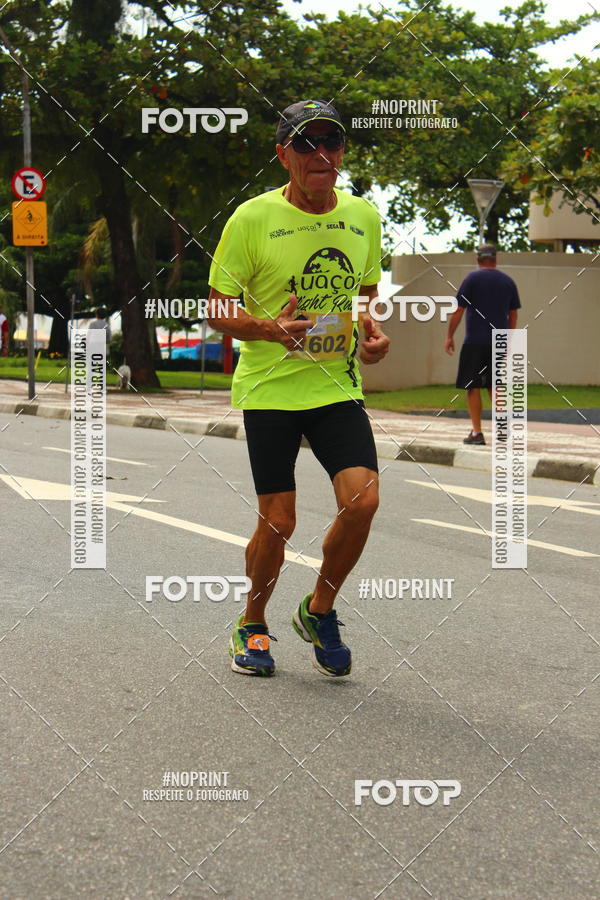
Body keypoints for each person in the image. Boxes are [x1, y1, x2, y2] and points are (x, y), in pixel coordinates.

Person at [207, 99, 390, 678]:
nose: (321, 155)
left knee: (364, 501)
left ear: (342, 153)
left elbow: (364, 293)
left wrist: (372, 328)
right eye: (306, 145)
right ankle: (252, 621)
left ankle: (319, 609)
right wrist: (268, 328)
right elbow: (217, 310)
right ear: (283, 154)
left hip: (336, 383)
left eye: (331, 144)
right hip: (269, 388)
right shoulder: (251, 220)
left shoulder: (363, 216)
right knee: (279, 521)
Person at [444, 243, 520, 444]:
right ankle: (503, 432)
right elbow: (513, 314)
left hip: (475, 341)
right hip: (498, 341)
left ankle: (477, 433)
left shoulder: (472, 279)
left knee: (473, 386)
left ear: (478, 259)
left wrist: (449, 336)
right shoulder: (508, 282)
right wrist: (508, 338)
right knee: (495, 385)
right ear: (495, 259)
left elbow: (458, 311)